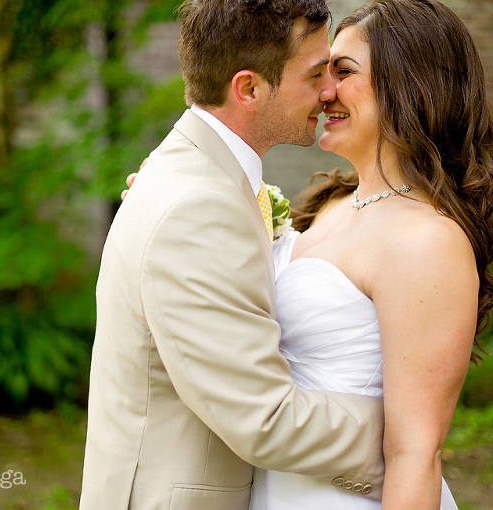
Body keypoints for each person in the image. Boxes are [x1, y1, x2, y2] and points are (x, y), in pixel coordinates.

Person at [79, 1, 386, 509]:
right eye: (314, 74)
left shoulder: (198, 176)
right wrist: (407, 432)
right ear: (248, 88)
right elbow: (263, 419)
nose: (329, 91)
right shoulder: (197, 206)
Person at [247, 0, 493, 508]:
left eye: (343, 72)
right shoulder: (327, 207)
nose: (324, 92)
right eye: (324, 73)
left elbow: (415, 451)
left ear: (409, 84)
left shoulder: (428, 240)